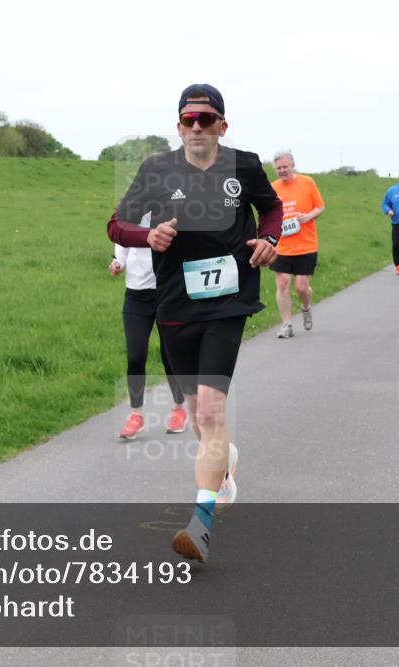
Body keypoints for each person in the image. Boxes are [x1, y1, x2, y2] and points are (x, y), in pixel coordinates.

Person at [107, 83, 282, 562]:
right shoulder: (157, 169)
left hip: (229, 300)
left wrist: (270, 239)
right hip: (174, 305)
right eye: (189, 119)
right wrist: (147, 235)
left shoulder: (244, 166)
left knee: (208, 412)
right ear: (179, 126)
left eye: (207, 119)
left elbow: (271, 207)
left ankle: (200, 524)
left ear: (222, 126)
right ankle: (225, 463)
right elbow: (117, 224)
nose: (197, 126)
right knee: (198, 416)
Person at [110, 219, 187, 440]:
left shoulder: (170, 209)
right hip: (136, 296)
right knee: (135, 355)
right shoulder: (130, 210)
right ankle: (136, 414)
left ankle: (178, 409)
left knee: (169, 355)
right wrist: (118, 262)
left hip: (167, 294)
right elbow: (122, 239)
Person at [270, 150, 326, 338]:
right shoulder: (273, 188)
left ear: (292, 165)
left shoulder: (307, 182)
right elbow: (268, 213)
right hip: (282, 246)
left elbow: (320, 207)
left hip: (306, 245)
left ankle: (306, 307)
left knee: (301, 287)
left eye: (285, 166)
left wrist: (308, 216)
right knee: (283, 284)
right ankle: (287, 325)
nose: (282, 170)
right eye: (278, 168)